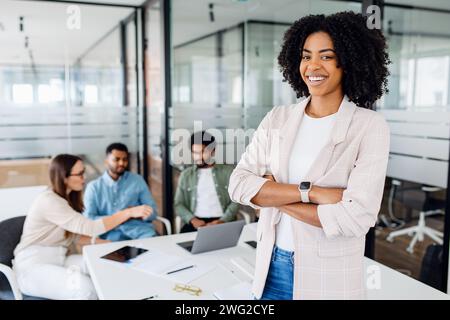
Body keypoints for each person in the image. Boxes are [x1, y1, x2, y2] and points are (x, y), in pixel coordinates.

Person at [228, 12, 391, 300]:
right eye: (306, 56)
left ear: (349, 62)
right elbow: (239, 184)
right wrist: (312, 193)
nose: (313, 66)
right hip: (271, 267)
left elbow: (354, 218)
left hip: (330, 277)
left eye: (326, 56)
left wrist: (271, 196)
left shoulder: (369, 126)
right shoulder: (278, 117)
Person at [13, 154, 151, 300]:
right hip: (33, 266)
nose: (84, 178)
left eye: (83, 172)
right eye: (79, 174)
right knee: (86, 290)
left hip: (60, 259)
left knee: (108, 266)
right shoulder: (49, 201)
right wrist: (128, 213)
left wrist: (113, 245)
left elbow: (76, 237)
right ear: (64, 177)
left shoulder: (67, 200)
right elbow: (91, 228)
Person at [83, 143, 158, 241]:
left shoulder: (137, 180)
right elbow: (89, 219)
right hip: (110, 237)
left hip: (141, 233)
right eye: (116, 159)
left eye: (125, 159)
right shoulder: (93, 187)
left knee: (155, 253)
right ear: (106, 161)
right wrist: (126, 214)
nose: (122, 163)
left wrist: (142, 213)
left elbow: (153, 212)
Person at [174, 131, 240, 233]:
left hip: (223, 222)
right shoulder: (186, 175)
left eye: (203, 152)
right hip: (196, 222)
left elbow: (236, 201)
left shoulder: (228, 172)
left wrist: (222, 221)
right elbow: (178, 204)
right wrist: (192, 219)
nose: (198, 157)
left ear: (213, 151)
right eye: (195, 152)